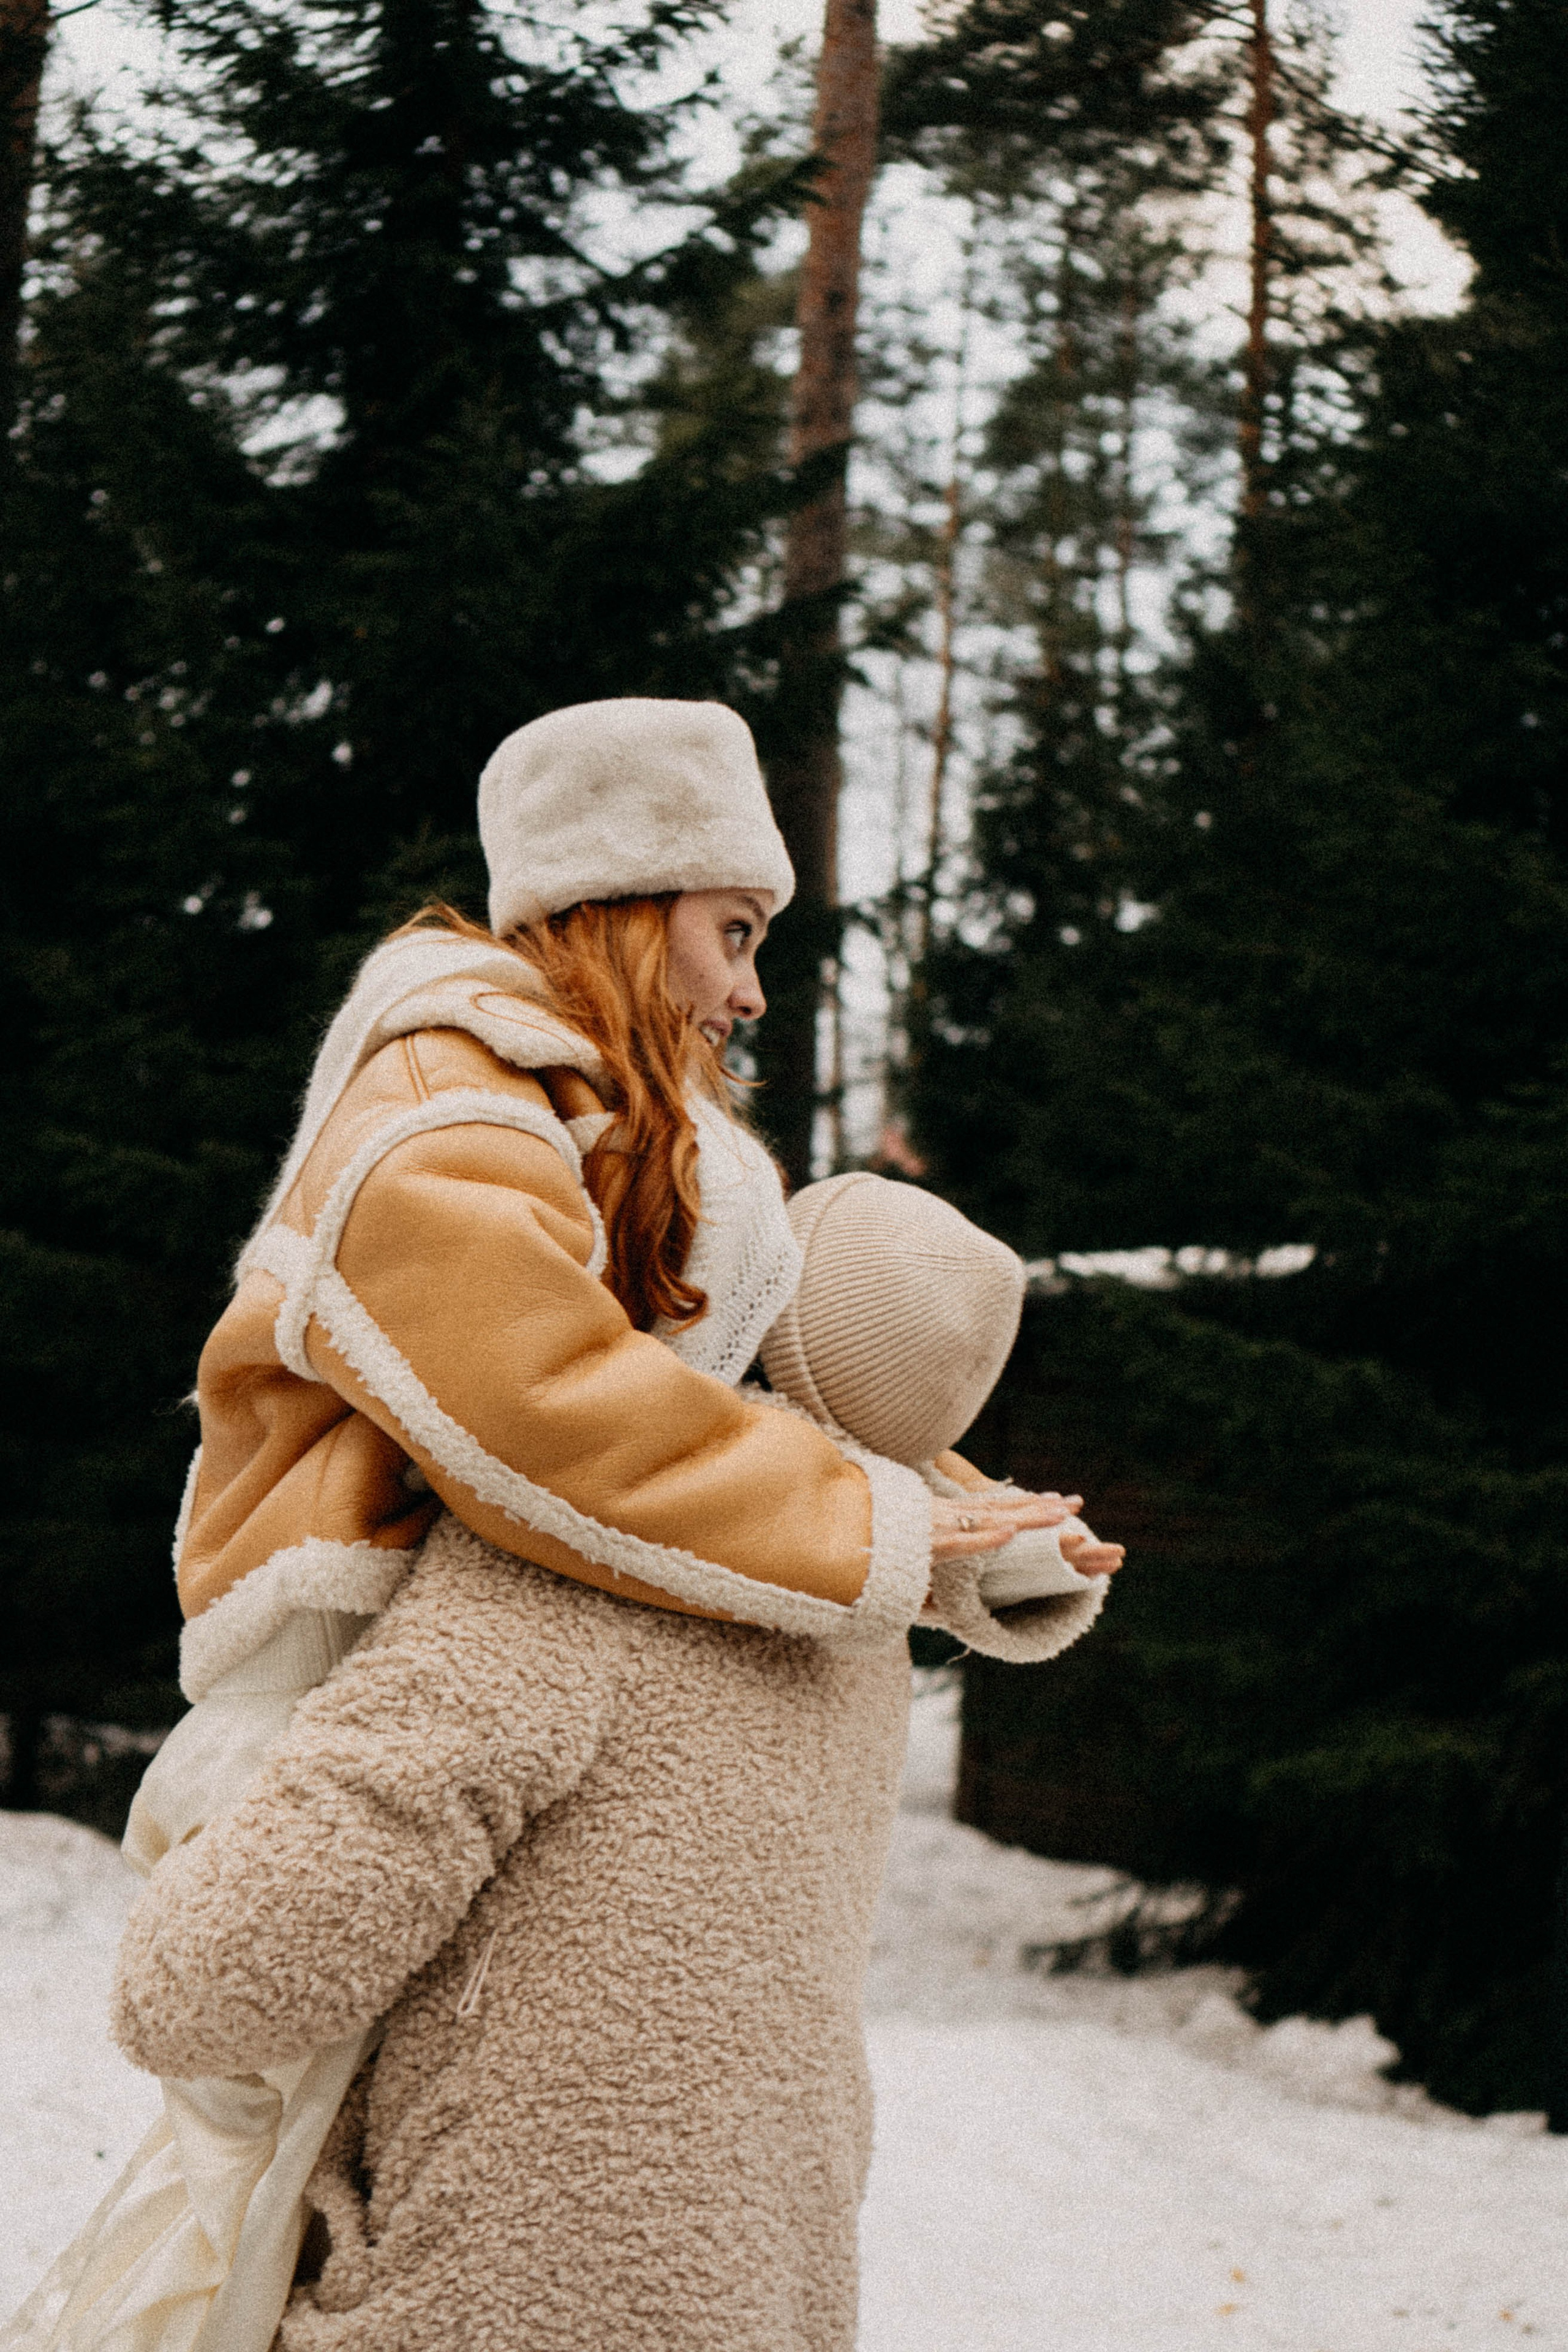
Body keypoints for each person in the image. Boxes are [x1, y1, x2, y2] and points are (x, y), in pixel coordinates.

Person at [3, 697, 1119, 2352]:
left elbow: (717, 1395)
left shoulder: (615, 1149)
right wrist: (907, 1538)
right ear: (627, 886)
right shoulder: (438, 1098)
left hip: (500, 2271)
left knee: (230, 2175)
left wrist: (957, 1529)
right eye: (734, 930)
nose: (753, 986)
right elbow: (566, 1407)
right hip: (327, 1630)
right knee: (246, 2154)